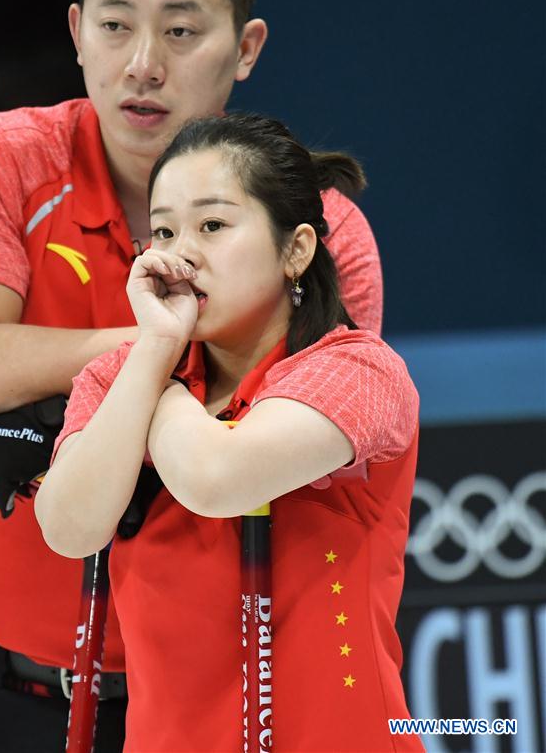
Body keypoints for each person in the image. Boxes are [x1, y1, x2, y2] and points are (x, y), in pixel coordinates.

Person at [0, 0, 384, 752]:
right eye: (117, 26)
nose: (142, 66)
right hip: (3, 679)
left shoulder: (319, 225)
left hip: (214, 705)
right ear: (78, 30)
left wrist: (102, 383)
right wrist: (160, 351)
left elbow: (270, 448)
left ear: (246, 48)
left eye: (181, 31)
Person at [36, 113, 421, 752]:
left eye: (212, 225)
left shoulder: (358, 370)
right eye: (162, 229)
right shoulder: (117, 378)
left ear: (295, 249)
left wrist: (153, 384)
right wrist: (157, 350)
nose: (179, 252)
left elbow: (216, 479)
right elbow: (69, 528)